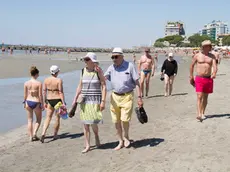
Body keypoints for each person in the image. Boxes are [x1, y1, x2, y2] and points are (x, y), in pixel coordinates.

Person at [105, 47, 143, 150]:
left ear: (122, 56)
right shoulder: (111, 67)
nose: (114, 59)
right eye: (112, 57)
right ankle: (120, 140)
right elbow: (103, 79)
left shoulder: (130, 66)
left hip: (127, 96)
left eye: (116, 57)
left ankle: (126, 137)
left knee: (125, 119)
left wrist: (140, 98)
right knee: (116, 121)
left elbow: (137, 83)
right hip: (114, 97)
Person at [72, 52, 107, 153]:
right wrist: (75, 98)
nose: (86, 61)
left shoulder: (98, 71)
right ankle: (87, 145)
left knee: (93, 123)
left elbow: (104, 86)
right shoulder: (82, 71)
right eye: (85, 59)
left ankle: (96, 135)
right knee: (85, 124)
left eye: (88, 59)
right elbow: (80, 85)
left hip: (95, 100)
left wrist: (103, 101)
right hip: (84, 100)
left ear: (93, 61)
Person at [189, 40, 217, 122]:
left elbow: (215, 66)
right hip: (199, 78)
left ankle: (203, 113)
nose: (208, 47)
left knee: (205, 97)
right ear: (203, 47)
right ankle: (198, 114)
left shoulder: (212, 56)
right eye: (206, 46)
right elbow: (191, 66)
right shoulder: (197, 55)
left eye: (209, 46)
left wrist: (214, 72)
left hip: (208, 78)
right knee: (199, 96)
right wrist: (191, 76)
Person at [40, 65, 66, 143]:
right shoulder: (59, 80)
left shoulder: (46, 80)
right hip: (57, 100)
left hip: (49, 99)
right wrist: (63, 102)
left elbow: (44, 91)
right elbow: (61, 92)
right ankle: (55, 134)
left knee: (48, 117)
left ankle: (43, 133)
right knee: (57, 118)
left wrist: (44, 101)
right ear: (57, 72)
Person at [23, 66, 44, 141]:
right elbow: (40, 95)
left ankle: (30, 136)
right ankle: (34, 133)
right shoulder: (39, 83)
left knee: (29, 120)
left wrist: (24, 102)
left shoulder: (26, 83)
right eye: (38, 74)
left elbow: (25, 95)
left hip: (28, 101)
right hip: (36, 102)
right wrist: (42, 104)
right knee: (38, 119)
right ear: (36, 74)